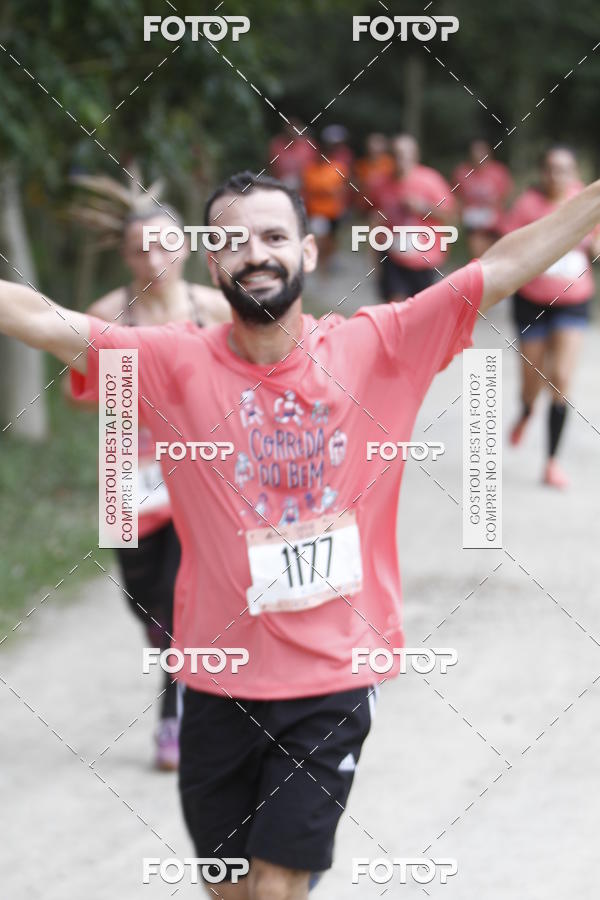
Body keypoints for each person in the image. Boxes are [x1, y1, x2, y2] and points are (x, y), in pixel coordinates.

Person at [2, 169, 600, 899]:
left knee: (276, 888)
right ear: (211, 264)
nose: (256, 253)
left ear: (308, 251)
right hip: (215, 679)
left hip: (332, 677)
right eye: (233, 240)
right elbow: (39, 318)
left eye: (274, 236)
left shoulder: (380, 345)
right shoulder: (169, 361)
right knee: (231, 889)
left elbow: (502, 266)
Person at [67, 196, 231, 769]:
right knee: (144, 601)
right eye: (140, 250)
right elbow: (80, 392)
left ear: (186, 247)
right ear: (125, 256)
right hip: (127, 472)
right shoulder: (107, 313)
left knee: (182, 599)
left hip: (200, 470)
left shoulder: (215, 308)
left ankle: (174, 718)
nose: (154, 259)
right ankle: (173, 656)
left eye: (164, 245)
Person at [501, 146, 600, 488]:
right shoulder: (527, 205)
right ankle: (527, 411)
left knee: (560, 378)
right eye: (551, 169)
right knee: (531, 384)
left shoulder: (585, 201)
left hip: (573, 301)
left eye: (564, 169)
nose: (557, 176)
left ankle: (551, 462)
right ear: (542, 172)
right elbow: (509, 247)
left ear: (573, 173)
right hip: (532, 302)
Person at [375, 133, 457, 302]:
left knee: (418, 308)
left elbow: (451, 215)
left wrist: (423, 208)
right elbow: (374, 213)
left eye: (406, 155)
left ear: (415, 156)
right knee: (394, 306)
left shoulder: (431, 180)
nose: (401, 160)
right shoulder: (381, 182)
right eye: (396, 154)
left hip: (424, 259)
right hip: (392, 254)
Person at [452, 138, 513, 258]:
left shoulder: (499, 172)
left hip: (495, 225)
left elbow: (506, 197)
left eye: (481, 152)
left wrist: (495, 205)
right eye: (474, 152)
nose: (478, 155)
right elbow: (456, 198)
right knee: (480, 258)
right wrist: (462, 214)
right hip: (473, 225)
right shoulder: (462, 172)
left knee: (497, 256)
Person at [301, 128, 351, 269]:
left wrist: (344, 206)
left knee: (332, 238)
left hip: (335, 212)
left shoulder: (339, 168)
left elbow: (344, 190)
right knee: (321, 238)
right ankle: (321, 266)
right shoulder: (310, 169)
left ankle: (330, 259)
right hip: (317, 212)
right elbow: (307, 189)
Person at [268, 118, 318, 192]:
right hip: (281, 188)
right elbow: (270, 166)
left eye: (294, 127)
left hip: (305, 190)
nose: (291, 130)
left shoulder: (308, 145)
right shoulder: (277, 145)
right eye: (289, 127)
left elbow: (316, 167)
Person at [354, 132, 395, 212]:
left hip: (384, 205)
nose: (374, 147)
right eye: (371, 144)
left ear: (384, 146)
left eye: (378, 143)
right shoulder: (360, 165)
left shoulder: (390, 164)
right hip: (363, 205)